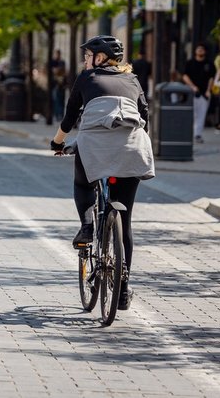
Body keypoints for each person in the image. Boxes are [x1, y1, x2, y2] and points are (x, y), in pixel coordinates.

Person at [50, 35, 154, 311]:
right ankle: (122, 291)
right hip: (132, 148)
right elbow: (145, 114)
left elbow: (70, 116)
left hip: (94, 145)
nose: (85, 61)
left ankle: (87, 226)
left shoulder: (86, 78)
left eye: (88, 56)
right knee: (126, 220)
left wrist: (57, 142)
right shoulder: (132, 80)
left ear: (100, 58)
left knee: (83, 182)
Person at [182, 44, 216, 144]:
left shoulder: (209, 64)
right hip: (192, 93)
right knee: (192, 114)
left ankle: (197, 134)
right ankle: (189, 133)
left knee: (201, 114)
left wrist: (208, 90)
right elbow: (185, 76)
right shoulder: (190, 63)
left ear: (205, 51)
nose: (200, 51)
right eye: (198, 49)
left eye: (202, 49)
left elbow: (211, 78)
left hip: (204, 94)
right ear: (195, 51)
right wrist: (192, 87)